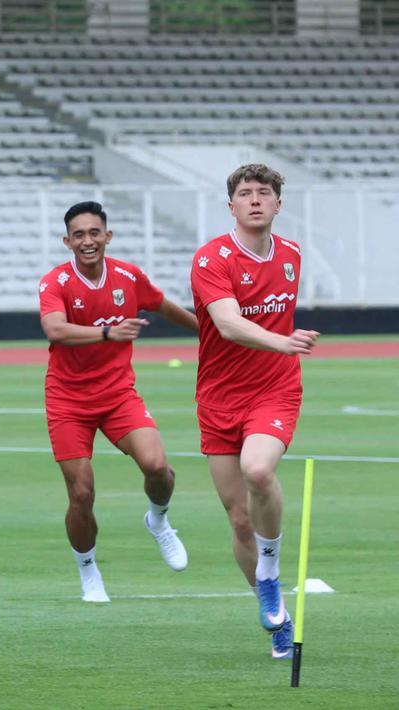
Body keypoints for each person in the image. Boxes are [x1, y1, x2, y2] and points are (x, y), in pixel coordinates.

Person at [38, 201, 198, 603]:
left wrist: (213, 335)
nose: (87, 241)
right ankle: (88, 569)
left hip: (117, 395)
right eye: (79, 235)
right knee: (82, 494)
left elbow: (164, 306)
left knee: (157, 466)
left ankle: (158, 521)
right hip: (68, 400)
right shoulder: (55, 282)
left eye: (95, 233)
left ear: (107, 236)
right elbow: (54, 329)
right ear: (67, 241)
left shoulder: (129, 276)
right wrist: (109, 333)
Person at [190, 165, 318, 660]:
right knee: (239, 519)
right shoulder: (211, 259)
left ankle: (269, 568)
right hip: (218, 398)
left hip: (275, 389)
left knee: (258, 470)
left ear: (278, 204)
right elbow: (227, 324)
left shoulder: (291, 254)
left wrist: (281, 351)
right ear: (232, 206)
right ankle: (275, 610)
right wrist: (282, 340)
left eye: (264, 193)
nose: (256, 200)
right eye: (245, 194)